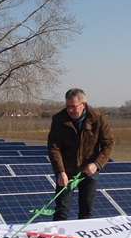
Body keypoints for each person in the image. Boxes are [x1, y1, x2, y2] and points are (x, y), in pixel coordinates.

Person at [47, 88, 114, 221]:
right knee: (61, 210)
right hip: (67, 172)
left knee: (86, 211)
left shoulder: (98, 118)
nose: (70, 110)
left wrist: (96, 164)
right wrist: (60, 172)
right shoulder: (59, 119)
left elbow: (108, 144)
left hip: (89, 172)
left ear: (83, 104)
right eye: (67, 106)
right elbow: (54, 147)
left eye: (73, 106)